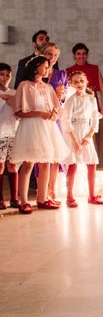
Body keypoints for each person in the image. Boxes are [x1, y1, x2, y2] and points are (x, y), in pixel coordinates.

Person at [11, 56, 70, 214]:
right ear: (36, 67)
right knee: (29, 163)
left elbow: (57, 108)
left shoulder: (48, 87)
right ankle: (23, 201)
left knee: (46, 163)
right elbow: (18, 111)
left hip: (46, 127)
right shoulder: (24, 86)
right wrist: (39, 114)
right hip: (31, 127)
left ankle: (42, 198)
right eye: (44, 66)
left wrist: (53, 114)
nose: (47, 69)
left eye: (48, 66)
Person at [63, 71, 103, 207]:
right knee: (73, 165)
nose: (79, 84)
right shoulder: (71, 100)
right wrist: (75, 141)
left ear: (86, 81)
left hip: (86, 135)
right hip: (74, 135)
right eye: (76, 82)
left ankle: (92, 195)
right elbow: (67, 122)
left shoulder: (91, 99)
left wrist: (89, 135)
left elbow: (94, 119)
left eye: (81, 81)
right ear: (71, 84)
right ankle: (69, 196)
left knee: (92, 164)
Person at [42, 43, 68, 204]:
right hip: (41, 116)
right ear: (44, 54)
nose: (52, 58)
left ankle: (52, 189)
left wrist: (63, 94)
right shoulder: (37, 73)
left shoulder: (61, 74)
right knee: (42, 153)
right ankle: (42, 190)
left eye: (55, 56)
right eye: (50, 55)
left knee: (55, 153)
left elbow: (63, 98)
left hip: (56, 117)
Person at [65, 43, 103, 117]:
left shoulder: (94, 68)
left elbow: (102, 89)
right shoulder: (68, 71)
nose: (81, 56)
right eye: (78, 54)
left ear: (87, 55)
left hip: (92, 106)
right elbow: (67, 93)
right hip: (76, 107)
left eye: (84, 54)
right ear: (74, 56)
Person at [0, 63, 19, 209]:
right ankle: (0, 199)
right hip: (0, 134)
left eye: (8, 75)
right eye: (2, 74)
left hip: (13, 133)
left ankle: (14, 198)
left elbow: (19, 114)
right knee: (0, 166)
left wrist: (11, 101)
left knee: (13, 165)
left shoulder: (14, 92)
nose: (5, 78)